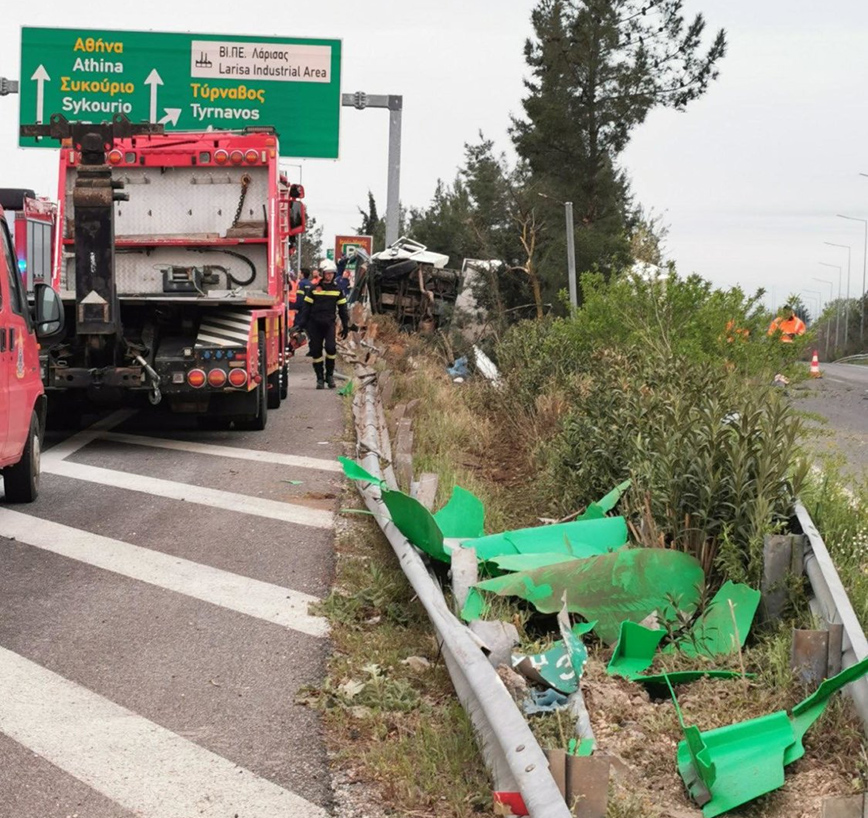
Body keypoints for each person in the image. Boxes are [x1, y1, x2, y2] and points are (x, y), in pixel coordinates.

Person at [294, 259, 349, 389]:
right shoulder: (313, 289)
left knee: (331, 348)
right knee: (316, 351)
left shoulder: (337, 290)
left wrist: (346, 326)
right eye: (327, 273)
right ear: (322, 273)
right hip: (314, 325)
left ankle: (329, 376)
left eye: (331, 273)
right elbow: (306, 308)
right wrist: (301, 325)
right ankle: (319, 378)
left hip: (329, 324)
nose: (329, 275)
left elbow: (343, 309)